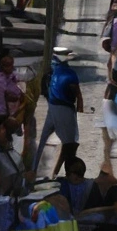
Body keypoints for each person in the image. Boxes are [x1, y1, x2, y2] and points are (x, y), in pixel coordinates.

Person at [35, 49, 84, 177]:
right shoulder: (69, 74)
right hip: (63, 108)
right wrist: (80, 105)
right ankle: (67, 174)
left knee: (44, 140)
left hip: (52, 106)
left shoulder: (52, 70)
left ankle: (38, 171)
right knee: (70, 144)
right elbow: (76, 93)